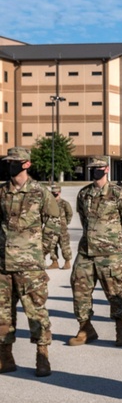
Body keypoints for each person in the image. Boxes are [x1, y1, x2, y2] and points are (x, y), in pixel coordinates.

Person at [0, 147, 60, 377]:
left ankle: (42, 356)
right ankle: (6, 356)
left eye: (14, 162)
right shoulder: (2, 192)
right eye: (8, 162)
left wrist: (41, 251)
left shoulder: (39, 192)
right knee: (3, 313)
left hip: (30, 267)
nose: (10, 166)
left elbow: (54, 222)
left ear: (26, 164)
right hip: (3, 264)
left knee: (36, 312)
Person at [69, 156, 122, 348]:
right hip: (86, 251)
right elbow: (83, 218)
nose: (95, 171)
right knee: (79, 289)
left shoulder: (118, 193)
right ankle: (85, 328)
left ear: (106, 169)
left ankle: (120, 328)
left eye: (98, 168)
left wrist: (118, 241)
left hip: (110, 253)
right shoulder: (84, 194)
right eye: (92, 168)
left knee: (115, 292)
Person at [44, 185, 73, 269]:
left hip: (62, 228)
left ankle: (67, 262)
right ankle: (54, 262)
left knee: (64, 245)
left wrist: (65, 223)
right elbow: (45, 214)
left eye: (56, 193)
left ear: (59, 192)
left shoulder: (64, 203)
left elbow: (69, 214)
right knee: (52, 246)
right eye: (53, 193)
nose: (54, 194)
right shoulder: (48, 203)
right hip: (51, 228)